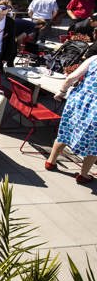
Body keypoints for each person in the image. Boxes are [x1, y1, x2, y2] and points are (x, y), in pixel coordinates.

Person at [44, 55, 97, 184]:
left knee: (65, 131)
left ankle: (50, 162)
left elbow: (71, 77)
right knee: (94, 144)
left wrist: (62, 92)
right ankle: (83, 175)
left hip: (79, 101)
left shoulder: (94, 59)